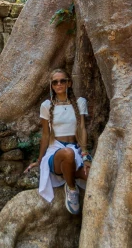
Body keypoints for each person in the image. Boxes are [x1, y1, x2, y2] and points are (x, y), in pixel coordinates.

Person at [25, 68, 91, 214]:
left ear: (69, 83)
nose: (59, 84)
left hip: (76, 149)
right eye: (55, 82)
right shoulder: (46, 106)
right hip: (56, 151)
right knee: (67, 153)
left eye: (62, 81)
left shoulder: (80, 103)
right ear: (52, 86)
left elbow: (82, 129)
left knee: (93, 175)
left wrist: (85, 154)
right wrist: (39, 160)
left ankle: (69, 175)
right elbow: (45, 135)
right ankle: (72, 189)